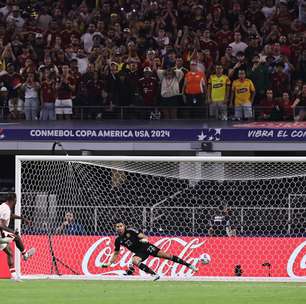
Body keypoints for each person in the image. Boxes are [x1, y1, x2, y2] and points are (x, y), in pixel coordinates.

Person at [101, 220, 198, 280]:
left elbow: (143, 236)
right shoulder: (118, 240)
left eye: (121, 226)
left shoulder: (131, 231)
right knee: (134, 260)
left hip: (146, 247)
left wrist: (144, 239)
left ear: (124, 226)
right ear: (115, 228)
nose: (119, 228)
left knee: (167, 256)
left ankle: (189, 265)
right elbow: (116, 253)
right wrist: (109, 263)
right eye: (117, 227)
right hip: (139, 252)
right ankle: (154, 275)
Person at [0, 193, 35, 281]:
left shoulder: (4, 207)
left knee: (9, 252)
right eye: (16, 200)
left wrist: (23, 219)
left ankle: (15, 277)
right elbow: (0, 225)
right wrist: (12, 232)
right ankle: (25, 255)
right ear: (13, 200)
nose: (16, 202)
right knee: (16, 237)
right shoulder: (5, 209)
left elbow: (11, 216)